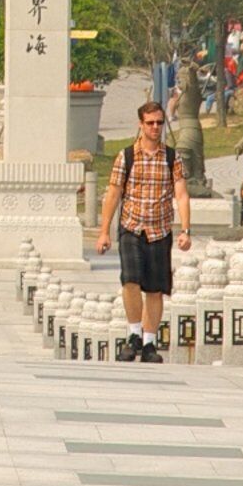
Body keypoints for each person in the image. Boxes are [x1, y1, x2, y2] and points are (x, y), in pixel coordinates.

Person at [93, 96, 191, 362]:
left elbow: (181, 194)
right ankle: (134, 333)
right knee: (131, 280)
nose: (155, 128)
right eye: (150, 123)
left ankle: (149, 342)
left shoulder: (172, 157)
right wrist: (103, 232)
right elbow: (113, 194)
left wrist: (185, 230)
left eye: (159, 122)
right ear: (140, 125)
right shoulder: (126, 156)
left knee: (156, 289)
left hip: (160, 229)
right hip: (131, 226)